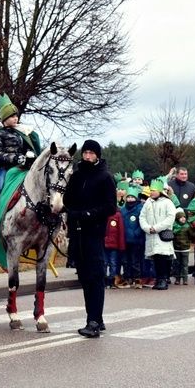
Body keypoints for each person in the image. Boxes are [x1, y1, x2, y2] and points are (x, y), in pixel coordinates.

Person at [63, 139, 116, 338]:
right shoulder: (76, 176)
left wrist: (86, 214)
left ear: (97, 156)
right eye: (85, 152)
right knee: (84, 277)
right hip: (77, 234)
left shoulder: (105, 177)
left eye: (91, 153)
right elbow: (67, 200)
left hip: (94, 232)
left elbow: (110, 207)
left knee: (95, 276)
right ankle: (96, 318)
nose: (87, 156)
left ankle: (93, 322)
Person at [0, 94, 38, 235]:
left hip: (19, 168)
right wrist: (16, 158)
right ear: (5, 118)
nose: (15, 118)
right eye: (12, 116)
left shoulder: (20, 134)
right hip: (3, 169)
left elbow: (25, 149)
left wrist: (29, 155)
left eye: (16, 116)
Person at [139, 178, 176, 290]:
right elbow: (142, 217)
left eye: (154, 190)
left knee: (162, 257)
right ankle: (158, 280)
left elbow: (170, 218)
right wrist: (147, 228)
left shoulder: (167, 202)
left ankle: (163, 279)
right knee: (155, 258)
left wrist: (156, 228)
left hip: (162, 234)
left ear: (160, 191)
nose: (152, 192)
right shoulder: (148, 203)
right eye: (151, 190)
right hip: (151, 235)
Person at [119, 186, 145, 288]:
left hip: (136, 239)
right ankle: (127, 277)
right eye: (128, 197)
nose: (130, 199)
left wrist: (137, 233)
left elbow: (142, 223)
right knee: (125, 260)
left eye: (132, 197)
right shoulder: (123, 210)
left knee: (135, 260)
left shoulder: (140, 209)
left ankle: (137, 278)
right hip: (125, 239)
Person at [104, 208, 125, 289]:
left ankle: (112, 279)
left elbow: (121, 231)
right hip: (104, 243)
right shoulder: (103, 213)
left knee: (113, 262)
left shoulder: (117, 215)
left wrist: (121, 245)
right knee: (104, 262)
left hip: (114, 244)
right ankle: (104, 279)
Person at [172, 209, 195, 285]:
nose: (183, 219)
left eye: (184, 217)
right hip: (176, 248)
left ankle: (185, 279)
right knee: (177, 264)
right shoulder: (174, 227)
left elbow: (191, 235)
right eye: (181, 217)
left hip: (185, 248)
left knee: (185, 264)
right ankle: (177, 279)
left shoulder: (187, 226)